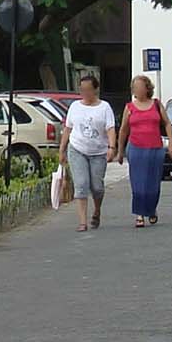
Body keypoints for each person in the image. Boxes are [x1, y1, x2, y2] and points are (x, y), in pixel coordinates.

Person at [113, 74, 172, 227]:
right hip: (136, 148)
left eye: (140, 87)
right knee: (138, 182)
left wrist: (171, 143)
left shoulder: (156, 104)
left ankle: (151, 209)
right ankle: (139, 214)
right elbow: (123, 130)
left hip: (155, 148)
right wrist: (120, 151)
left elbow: (167, 123)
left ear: (147, 88)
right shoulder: (129, 107)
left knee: (153, 183)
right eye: (135, 87)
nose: (137, 90)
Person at [62, 74, 115, 232]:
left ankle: (97, 210)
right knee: (81, 184)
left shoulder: (104, 107)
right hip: (77, 149)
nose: (85, 93)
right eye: (82, 90)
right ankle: (82, 222)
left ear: (95, 90)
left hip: (98, 152)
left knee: (97, 187)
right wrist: (62, 149)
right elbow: (68, 128)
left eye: (88, 90)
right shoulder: (75, 107)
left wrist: (112, 147)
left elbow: (110, 129)